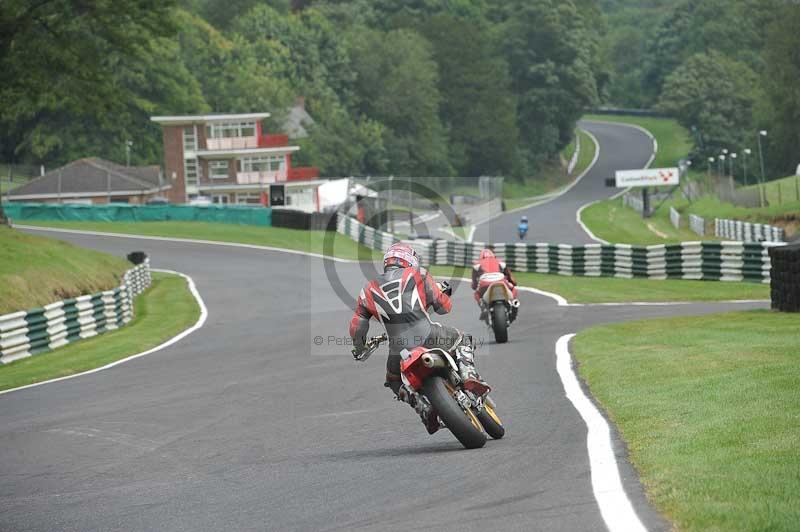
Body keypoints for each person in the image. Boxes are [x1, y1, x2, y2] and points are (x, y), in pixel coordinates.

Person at [349, 243, 489, 432]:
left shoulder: (367, 289)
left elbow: (357, 327)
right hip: (430, 336)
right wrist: (441, 293)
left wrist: (359, 348)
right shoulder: (419, 274)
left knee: (393, 380)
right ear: (410, 260)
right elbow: (443, 307)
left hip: (398, 352)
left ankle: (423, 408)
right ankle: (469, 376)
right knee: (462, 339)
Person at [471, 248, 519, 320]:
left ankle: (482, 306)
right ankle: (513, 302)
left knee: (476, 294)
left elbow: (474, 283)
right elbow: (510, 277)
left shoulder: (477, 265)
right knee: (513, 289)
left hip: (485, 283)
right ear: (493, 255)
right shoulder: (500, 262)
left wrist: (475, 287)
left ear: (481, 257)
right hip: (500, 280)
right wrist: (513, 283)